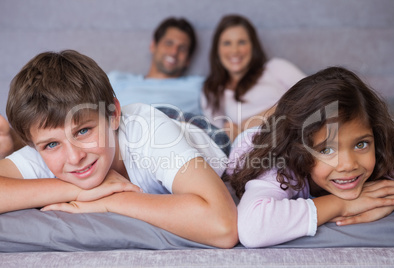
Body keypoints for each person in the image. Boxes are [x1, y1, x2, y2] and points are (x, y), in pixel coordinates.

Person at [0, 50, 238, 248]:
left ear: (113, 115)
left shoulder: (148, 133)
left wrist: (112, 200)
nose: (75, 157)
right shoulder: (47, 147)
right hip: (137, 124)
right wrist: (74, 191)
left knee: (241, 136)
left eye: (83, 131)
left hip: (202, 135)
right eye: (52, 144)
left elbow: (223, 226)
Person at [226, 66, 394, 248]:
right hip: (251, 139)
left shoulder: (384, 152)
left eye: (361, 144)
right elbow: (253, 229)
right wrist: (342, 204)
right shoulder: (280, 166)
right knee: (235, 132)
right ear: (298, 151)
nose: (349, 165)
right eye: (326, 150)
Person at [201, 14, 306, 141]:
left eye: (242, 42)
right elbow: (218, 140)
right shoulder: (212, 90)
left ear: (253, 46)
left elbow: (314, 95)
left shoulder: (275, 68)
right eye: (227, 43)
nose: (234, 50)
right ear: (217, 49)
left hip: (289, 136)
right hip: (250, 148)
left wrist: (247, 125)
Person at [108, 17, 204, 115]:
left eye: (182, 48)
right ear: (153, 46)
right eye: (169, 43)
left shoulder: (199, 86)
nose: (174, 52)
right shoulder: (116, 80)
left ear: (188, 60)